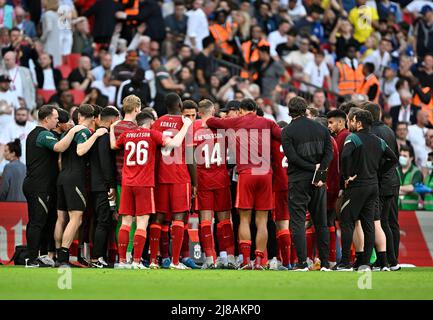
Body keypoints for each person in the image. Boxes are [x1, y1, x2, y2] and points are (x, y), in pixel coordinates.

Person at [110, 109, 192, 269]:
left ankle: (121, 261)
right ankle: (136, 261)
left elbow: (113, 145)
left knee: (125, 222)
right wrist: (186, 126)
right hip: (144, 184)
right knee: (141, 222)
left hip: (127, 183)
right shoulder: (152, 134)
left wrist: (112, 129)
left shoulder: (127, 134)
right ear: (149, 123)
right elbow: (174, 143)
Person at [206, 98, 282, 270]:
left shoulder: (237, 121)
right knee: (262, 221)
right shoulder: (268, 122)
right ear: (255, 110)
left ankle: (246, 261)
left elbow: (211, 121)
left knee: (244, 219)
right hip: (265, 174)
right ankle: (259, 262)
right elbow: (283, 136)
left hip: (246, 174)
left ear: (241, 110)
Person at [23, 105, 87, 267]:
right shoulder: (42, 134)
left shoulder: (39, 134)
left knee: (44, 221)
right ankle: (31, 259)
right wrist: (73, 131)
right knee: (37, 222)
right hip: (38, 185)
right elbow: (59, 147)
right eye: (55, 118)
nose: (57, 121)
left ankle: (41, 255)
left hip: (41, 184)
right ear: (46, 119)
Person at [336, 109, 398, 271]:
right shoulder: (379, 141)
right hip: (373, 186)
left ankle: (344, 262)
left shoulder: (353, 138)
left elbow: (345, 156)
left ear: (358, 122)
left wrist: (347, 175)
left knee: (347, 220)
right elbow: (393, 159)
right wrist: (379, 172)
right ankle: (364, 263)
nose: (350, 123)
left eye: (351, 120)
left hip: (357, 186)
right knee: (369, 223)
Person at [281, 97, 333, 271]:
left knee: (297, 222)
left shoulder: (287, 131)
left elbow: (293, 158)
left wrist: (312, 168)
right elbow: (329, 152)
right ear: (305, 109)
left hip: (298, 180)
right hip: (319, 180)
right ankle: (325, 263)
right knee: (321, 222)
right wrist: (320, 169)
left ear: (289, 112)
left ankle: (302, 262)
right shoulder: (321, 128)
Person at [54, 104, 108, 267]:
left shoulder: (68, 132)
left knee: (61, 218)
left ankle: (57, 254)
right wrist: (96, 135)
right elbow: (80, 151)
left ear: (78, 117)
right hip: (75, 179)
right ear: (93, 118)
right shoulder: (83, 131)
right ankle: (63, 257)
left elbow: (60, 158)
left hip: (62, 177)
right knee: (76, 219)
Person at [150, 93, 196, 270]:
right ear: (180, 104)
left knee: (159, 217)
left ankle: (154, 260)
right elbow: (191, 156)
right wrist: (195, 183)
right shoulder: (185, 124)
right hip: (180, 176)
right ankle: (176, 262)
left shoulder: (158, 122)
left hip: (161, 176)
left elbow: (153, 151)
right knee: (178, 217)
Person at [193, 99, 235, 269]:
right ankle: (230, 257)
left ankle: (210, 258)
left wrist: (193, 183)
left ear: (198, 112)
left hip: (203, 179)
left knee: (205, 220)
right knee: (224, 220)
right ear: (213, 111)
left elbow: (191, 159)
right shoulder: (222, 127)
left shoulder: (194, 128)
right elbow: (232, 152)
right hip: (221, 178)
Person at [362, 102, 401, 270]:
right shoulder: (389, 130)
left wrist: (378, 173)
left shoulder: (372, 133)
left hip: (381, 182)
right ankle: (392, 259)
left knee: (380, 222)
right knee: (391, 222)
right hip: (393, 181)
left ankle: (388, 260)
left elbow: (376, 159)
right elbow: (395, 156)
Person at [89, 107, 120, 268]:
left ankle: (98, 256)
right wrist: (111, 186)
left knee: (103, 221)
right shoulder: (104, 137)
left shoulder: (97, 135)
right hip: (103, 186)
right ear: (113, 119)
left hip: (97, 184)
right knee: (103, 221)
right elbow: (106, 164)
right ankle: (95, 259)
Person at [398, 144, 423, 211]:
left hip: (412, 211)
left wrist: (396, 189)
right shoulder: (395, 170)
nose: (402, 157)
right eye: (401, 155)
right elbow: (389, 187)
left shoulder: (417, 172)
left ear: (411, 158)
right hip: (396, 210)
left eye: (405, 156)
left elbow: (411, 188)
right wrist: (405, 190)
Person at [40, 0, 61, 67]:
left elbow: (49, 28)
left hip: (49, 42)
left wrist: (42, 38)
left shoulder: (48, 14)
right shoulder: (56, 15)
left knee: (48, 63)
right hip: (57, 43)